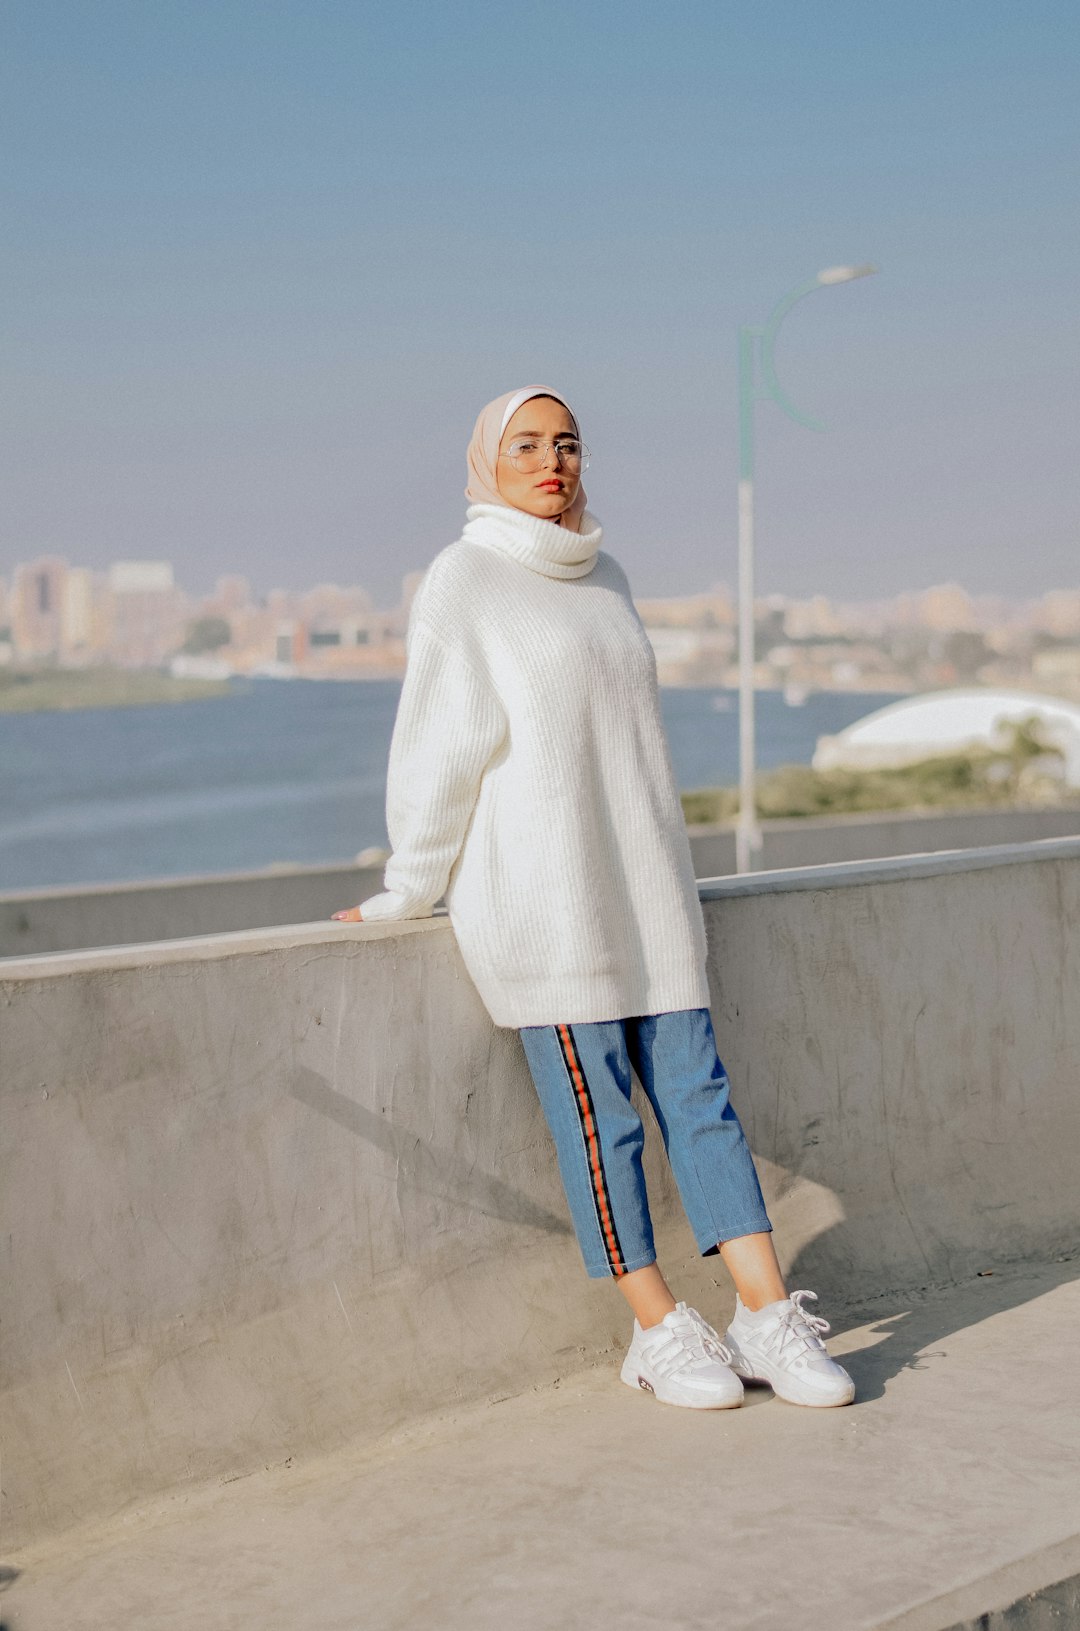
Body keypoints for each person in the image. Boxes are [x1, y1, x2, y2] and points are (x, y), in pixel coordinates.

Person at [333, 385, 854, 1411]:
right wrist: (408, 884)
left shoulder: (604, 572)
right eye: (525, 443)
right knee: (601, 1115)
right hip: (544, 904)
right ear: (487, 461)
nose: (551, 460)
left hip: (645, 894)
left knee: (702, 1098)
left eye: (566, 442)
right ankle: (656, 1324)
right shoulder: (465, 578)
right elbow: (439, 748)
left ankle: (764, 1309)